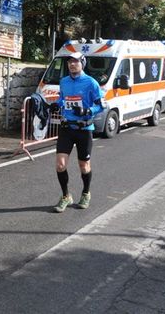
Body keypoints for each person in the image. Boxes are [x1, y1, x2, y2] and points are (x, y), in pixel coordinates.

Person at [49, 51, 104, 213]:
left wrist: (87, 111)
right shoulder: (64, 81)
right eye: (70, 62)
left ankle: (86, 193)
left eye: (76, 61)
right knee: (60, 165)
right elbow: (62, 99)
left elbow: (101, 105)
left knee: (84, 166)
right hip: (67, 128)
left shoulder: (91, 83)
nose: (72, 64)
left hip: (84, 129)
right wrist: (56, 104)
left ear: (82, 63)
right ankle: (66, 196)